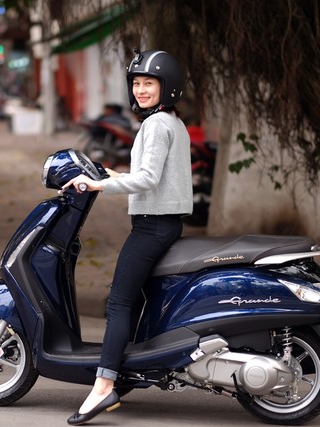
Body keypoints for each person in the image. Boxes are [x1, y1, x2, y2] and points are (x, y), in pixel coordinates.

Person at [62, 49, 193, 425]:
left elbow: (148, 180)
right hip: (164, 223)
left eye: (148, 83)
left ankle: (104, 386)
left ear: (166, 88)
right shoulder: (172, 123)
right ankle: (127, 371)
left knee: (118, 303)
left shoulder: (156, 125)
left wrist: (100, 185)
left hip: (151, 227)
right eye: (136, 83)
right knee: (134, 301)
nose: (140, 90)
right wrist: (109, 173)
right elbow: (152, 177)